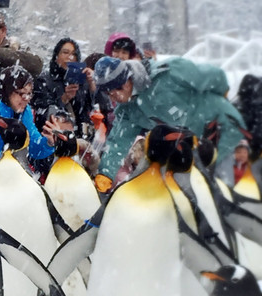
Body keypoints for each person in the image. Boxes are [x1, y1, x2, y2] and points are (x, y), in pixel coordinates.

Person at [93, 56, 246, 192]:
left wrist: (222, 93)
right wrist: (105, 173)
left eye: (113, 92)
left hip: (220, 130)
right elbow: (118, 141)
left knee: (223, 191)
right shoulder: (128, 109)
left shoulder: (169, 73)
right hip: (189, 148)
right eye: (108, 94)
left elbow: (211, 75)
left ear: (126, 81)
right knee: (194, 197)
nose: (114, 98)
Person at [0, 65, 54, 182]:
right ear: (7, 90)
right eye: (21, 93)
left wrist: (48, 142)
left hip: (1, 174)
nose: (26, 99)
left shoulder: (23, 111)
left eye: (29, 94)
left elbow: (33, 147)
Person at [32, 38, 95, 139]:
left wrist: (92, 84)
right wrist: (63, 99)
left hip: (80, 139)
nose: (70, 57)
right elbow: (43, 115)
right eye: (65, 52)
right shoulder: (44, 80)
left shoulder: (82, 82)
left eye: (74, 54)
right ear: (56, 57)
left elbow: (94, 109)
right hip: (54, 137)